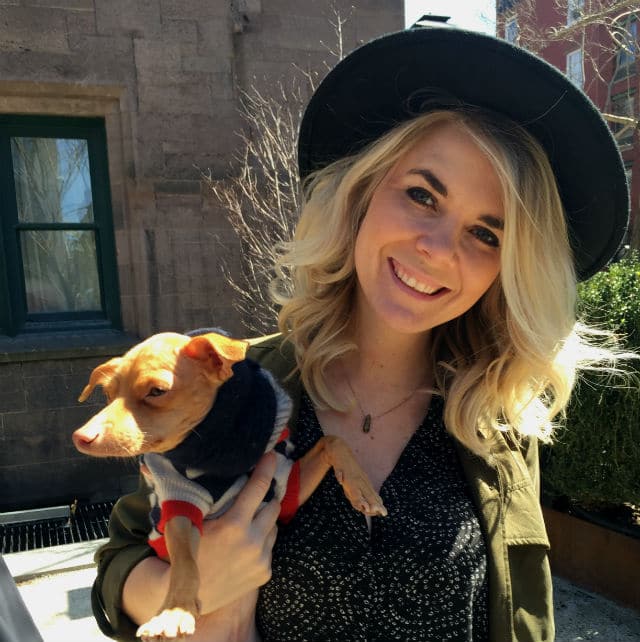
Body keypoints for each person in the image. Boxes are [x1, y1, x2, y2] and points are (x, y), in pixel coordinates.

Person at [91, 24, 630, 642]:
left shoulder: (497, 418)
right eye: (423, 195)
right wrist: (182, 589)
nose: (437, 250)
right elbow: (121, 558)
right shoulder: (241, 390)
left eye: (486, 233)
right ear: (363, 194)